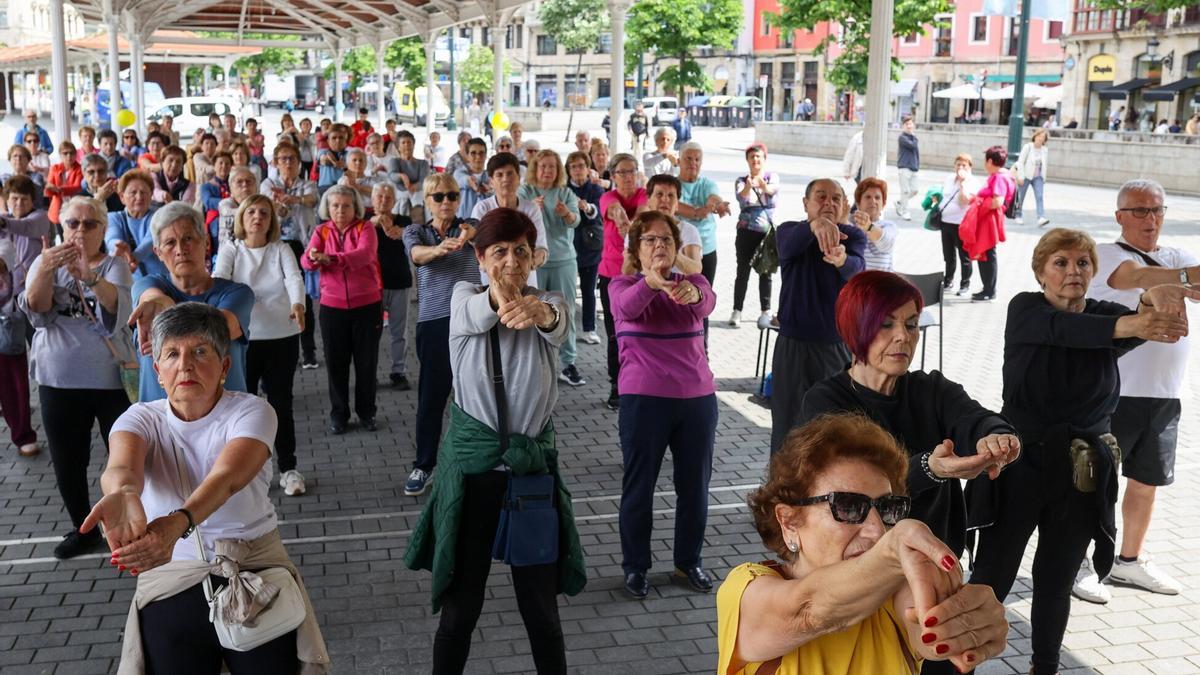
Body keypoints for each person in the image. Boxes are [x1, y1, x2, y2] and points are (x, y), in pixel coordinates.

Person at [968, 228, 1197, 675]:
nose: (1074, 271)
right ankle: (961, 665)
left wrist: (1157, 297)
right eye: (1061, 263)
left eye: (1083, 264)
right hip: (1018, 465)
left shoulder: (1104, 315)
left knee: (1055, 580)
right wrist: (1136, 322)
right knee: (991, 578)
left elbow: (1123, 322)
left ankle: (1045, 667)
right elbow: (1068, 330)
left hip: (1080, 470)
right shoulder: (1025, 310)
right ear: (1040, 272)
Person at [81, 302, 330, 674]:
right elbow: (121, 466)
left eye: (200, 351)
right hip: (171, 574)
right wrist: (123, 494)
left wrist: (176, 523)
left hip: (251, 568)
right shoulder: (140, 417)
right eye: (172, 354)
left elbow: (226, 478)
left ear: (225, 367)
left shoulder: (253, 411)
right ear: (158, 372)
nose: (186, 364)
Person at [404, 208, 584, 674]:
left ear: (533, 257)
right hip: (475, 477)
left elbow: (560, 322)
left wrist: (541, 311)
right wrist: (502, 298)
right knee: (461, 613)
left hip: (529, 474)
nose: (510, 261)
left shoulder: (549, 302)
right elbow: (476, 311)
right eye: (499, 252)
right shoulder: (465, 298)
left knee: (541, 613)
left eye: (520, 251)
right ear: (480, 257)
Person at [718, 414, 1010, 675]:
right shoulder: (746, 588)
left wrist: (962, 622)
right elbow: (806, 611)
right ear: (789, 521)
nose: (877, 530)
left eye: (887, 508)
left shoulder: (894, 593)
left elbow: (926, 629)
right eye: (847, 506)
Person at [801, 271, 1019, 560]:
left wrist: (997, 438)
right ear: (854, 329)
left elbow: (977, 419)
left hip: (935, 559)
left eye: (912, 324)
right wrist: (930, 468)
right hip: (863, 564)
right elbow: (861, 487)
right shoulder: (826, 402)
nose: (903, 336)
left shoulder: (932, 389)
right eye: (886, 324)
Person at [1072, 180, 1200, 604]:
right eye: (1141, 211)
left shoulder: (1177, 254)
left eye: (1158, 211)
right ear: (1120, 216)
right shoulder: (1108, 253)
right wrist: (1178, 280)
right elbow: (1137, 276)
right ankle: (1082, 563)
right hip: (1115, 392)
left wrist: (1176, 279)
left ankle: (1128, 561)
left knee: (1146, 482)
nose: (1151, 219)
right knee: (1098, 483)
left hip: (1165, 394)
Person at [611, 210, 717, 599]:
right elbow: (627, 308)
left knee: (695, 488)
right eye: (650, 240)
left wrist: (692, 292)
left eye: (667, 240)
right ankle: (635, 567)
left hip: (697, 400)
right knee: (639, 487)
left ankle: (688, 562)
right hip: (644, 400)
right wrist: (652, 284)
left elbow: (705, 302)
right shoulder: (622, 285)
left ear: (677, 248)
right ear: (636, 249)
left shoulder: (693, 283)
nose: (659, 246)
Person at [21, 196, 133, 558]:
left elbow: (117, 306)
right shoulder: (46, 260)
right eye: (73, 223)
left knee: (127, 457)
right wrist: (43, 270)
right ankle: (83, 530)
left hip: (110, 381)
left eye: (89, 224)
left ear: (102, 229)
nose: (80, 231)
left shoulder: (114, 264)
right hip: (58, 379)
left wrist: (91, 276)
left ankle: (131, 523)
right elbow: (37, 308)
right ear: (61, 227)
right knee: (69, 461)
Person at [213, 194, 307, 496]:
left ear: (271, 220)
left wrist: (298, 304)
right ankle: (246, 472)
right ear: (241, 218)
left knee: (281, 404)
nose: (257, 217)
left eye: (264, 213)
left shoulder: (281, 249)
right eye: (251, 212)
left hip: (281, 336)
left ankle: (288, 468)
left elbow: (294, 278)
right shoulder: (231, 249)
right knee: (242, 407)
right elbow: (218, 281)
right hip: (242, 340)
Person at [770, 178, 867, 453]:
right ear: (806, 203)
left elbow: (858, 269)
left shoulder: (852, 236)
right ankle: (782, 492)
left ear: (845, 204)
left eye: (836, 198)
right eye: (821, 197)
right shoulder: (789, 232)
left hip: (836, 346)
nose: (829, 203)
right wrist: (815, 226)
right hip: (793, 347)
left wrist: (841, 261)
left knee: (832, 427)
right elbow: (787, 246)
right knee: (788, 427)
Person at [403, 173, 482, 497]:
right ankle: (424, 464)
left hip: (470, 322)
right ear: (428, 200)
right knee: (431, 398)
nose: (446, 202)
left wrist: (467, 235)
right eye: (438, 197)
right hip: (434, 323)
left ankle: (477, 459)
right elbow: (416, 255)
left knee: (475, 396)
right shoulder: (416, 231)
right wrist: (439, 250)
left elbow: (479, 231)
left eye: (451, 195)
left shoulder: (469, 225)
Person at [127, 202, 254, 402]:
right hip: (160, 423)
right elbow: (150, 297)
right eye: (170, 242)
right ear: (157, 252)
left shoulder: (237, 294)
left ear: (205, 242)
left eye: (188, 239)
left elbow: (218, 327)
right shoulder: (147, 285)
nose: (180, 250)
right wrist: (159, 301)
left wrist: (167, 319)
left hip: (226, 421)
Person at [300, 185, 382, 435]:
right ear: (328, 207)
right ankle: (339, 415)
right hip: (332, 308)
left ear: (355, 207)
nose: (340, 210)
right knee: (336, 364)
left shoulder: (365, 227)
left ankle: (367, 412)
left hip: (367, 306)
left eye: (346, 205)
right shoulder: (321, 230)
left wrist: (332, 259)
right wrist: (314, 257)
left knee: (366, 363)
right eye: (335, 205)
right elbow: (306, 262)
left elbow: (364, 255)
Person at [519, 149, 584, 387]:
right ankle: (535, 363)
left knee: (565, 311)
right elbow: (515, 218)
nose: (547, 171)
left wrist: (567, 214)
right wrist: (529, 209)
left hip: (564, 260)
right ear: (535, 169)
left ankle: (568, 362)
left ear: (558, 171)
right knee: (533, 310)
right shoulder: (526, 192)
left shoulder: (566, 193)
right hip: (534, 262)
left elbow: (576, 221)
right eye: (543, 166)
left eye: (552, 167)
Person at [260, 142, 320, 369]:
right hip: (275, 246)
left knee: (302, 298)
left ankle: (309, 351)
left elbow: (312, 200)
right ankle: (285, 350)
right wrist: (282, 205)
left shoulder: (308, 184)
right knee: (277, 298)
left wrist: (288, 199)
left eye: (291, 159)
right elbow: (274, 209)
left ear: (298, 162)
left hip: (300, 245)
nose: (287, 163)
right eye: (283, 159)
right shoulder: (268, 184)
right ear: (275, 162)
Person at [599, 153, 647, 409]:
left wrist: (633, 225)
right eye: (622, 172)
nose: (628, 177)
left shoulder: (643, 194)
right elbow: (614, 209)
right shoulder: (608, 197)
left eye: (632, 171)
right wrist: (620, 219)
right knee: (614, 333)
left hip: (639, 276)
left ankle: (639, 382)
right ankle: (616, 385)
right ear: (613, 176)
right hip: (610, 274)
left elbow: (642, 211)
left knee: (639, 331)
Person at [471, 152, 548, 284]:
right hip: (492, 284)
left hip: (526, 283)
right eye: (499, 175)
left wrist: (526, 264)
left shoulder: (531, 209)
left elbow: (541, 249)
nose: (505, 179)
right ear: (491, 182)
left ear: (519, 178)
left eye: (510, 173)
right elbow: (477, 248)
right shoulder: (481, 209)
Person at [730, 143, 779, 328]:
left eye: (758, 157)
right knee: (742, 271)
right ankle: (737, 310)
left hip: (765, 234)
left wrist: (763, 186)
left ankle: (765, 310)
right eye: (752, 157)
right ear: (747, 161)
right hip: (745, 232)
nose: (755, 160)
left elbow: (772, 192)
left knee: (766, 271)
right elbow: (742, 198)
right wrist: (749, 187)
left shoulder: (772, 178)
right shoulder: (741, 180)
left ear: (764, 159)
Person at [371, 183, 414, 391]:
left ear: (394, 201)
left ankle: (399, 372)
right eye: (379, 196)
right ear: (372, 200)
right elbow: (365, 226)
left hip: (400, 282)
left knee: (400, 332)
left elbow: (412, 231)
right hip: (372, 286)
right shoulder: (364, 222)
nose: (383, 200)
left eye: (388, 197)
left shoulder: (404, 221)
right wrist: (375, 222)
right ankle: (369, 373)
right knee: (371, 333)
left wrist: (398, 230)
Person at [958, 146, 1015, 303]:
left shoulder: (999, 177)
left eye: (985, 159)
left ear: (990, 161)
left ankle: (989, 290)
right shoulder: (1000, 175)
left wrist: (980, 203)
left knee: (988, 253)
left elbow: (998, 201)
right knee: (987, 253)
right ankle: (988, 288)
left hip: (988, 219)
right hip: (987, 218)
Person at [565, 151, 605, 346]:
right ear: (568, 170)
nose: (577, 170)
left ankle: (589, 329)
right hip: (567, 248)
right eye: (573, 166)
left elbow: (599, 214)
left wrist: (588, 208)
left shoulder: (596, 190)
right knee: (567, 292)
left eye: (581, 166)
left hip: (590, 247)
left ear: (588, 168)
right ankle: (565, 329)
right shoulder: (563, 190)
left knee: (589, 291)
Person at [933, 154, 978, 297]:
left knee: (964, 256)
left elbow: (965, 201)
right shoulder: (949, 179)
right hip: (946, 222)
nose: (960, 168)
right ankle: (948, 281)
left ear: (970, 167)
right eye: (958, 164)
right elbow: (943, 196)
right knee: (948, 255)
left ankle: (965, 284)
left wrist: (963, 183)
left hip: (962, 224)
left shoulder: (972, 182)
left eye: (964, 165)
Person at [105, 170, 162, 279]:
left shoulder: (159, 216)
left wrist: (131, 258)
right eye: (133, 192)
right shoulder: (114, 217)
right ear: (122, 197)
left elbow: (151, 240)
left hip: (160, 279)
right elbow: (111, 237)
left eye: (144, 192)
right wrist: (118, 245)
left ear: (151, 196)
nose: (139, 197)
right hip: (127, 282)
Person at [851, 178, 898, 272]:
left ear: (883, 204)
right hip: (854, 284)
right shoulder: (850, 224)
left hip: (880, 284)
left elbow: (885, 243)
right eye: (868, 197)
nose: (873, 201)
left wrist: (868, 226)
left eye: (877, 198)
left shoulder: (889, 226)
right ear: (858, 203)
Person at [388, 130, 430, 223]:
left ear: (413, 145)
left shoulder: (423, 163)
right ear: (398, 147)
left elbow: (424, 181)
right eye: (403, 143)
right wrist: (402, 176)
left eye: (409, 142)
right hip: (399, 200)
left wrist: (414, 187)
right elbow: (391, 175)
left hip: (418, 200)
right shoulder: (394, 161)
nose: (406, 145)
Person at [1014, 129, 1050, 228]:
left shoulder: (1045, 150)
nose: (1040, 138)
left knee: (1039, 196)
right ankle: (1018, 215)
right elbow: (1020, 162)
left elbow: (1045, 165)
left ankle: (1041, 218)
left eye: (1043, 137)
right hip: (1026, 176)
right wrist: (1020, 177)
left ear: (1044, 140)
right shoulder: (1028, 147)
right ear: (1035, 136)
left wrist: (1044, 178)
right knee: (1020, 197)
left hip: (1038, 177)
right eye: (1039, 136)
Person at [217, 168, 260, 247]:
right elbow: (231, 213)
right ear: (230, 187)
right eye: (239, 182)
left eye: (249, 181)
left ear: (256, 186)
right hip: (229, 253)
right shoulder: (224, 204)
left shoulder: (261, 203)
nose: (245, 185)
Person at [45, 141, 84, 225]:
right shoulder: (54, 168)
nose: (69, 156)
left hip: (75, 208)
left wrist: (58, 189)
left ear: (75, 154)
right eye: (65, 153)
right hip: (57, 208)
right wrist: (52, 189)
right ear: (60, 155)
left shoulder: (80, 169)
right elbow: (48, 190)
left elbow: (77, 187)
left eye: (71, 153)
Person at [454, 137, 492, 219]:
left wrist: (490, 191)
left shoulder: (491, 176)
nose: (478, 157)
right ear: (467, 156)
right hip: (464, 223)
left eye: (481, 153)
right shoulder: (459, 173)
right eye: (473, 153)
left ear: (486, 156)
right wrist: (470, 182)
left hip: (486, 223)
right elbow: (462, 180)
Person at [895, 117, 919, 221]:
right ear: (903, 126)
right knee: (905, 191)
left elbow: (916, 153)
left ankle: (900, 202)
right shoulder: (902, 137)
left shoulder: (914, 137)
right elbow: (912, 146)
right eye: (906, 124)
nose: (909, 126)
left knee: (914, 190)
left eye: (910, 124)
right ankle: (905, 212)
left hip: (914, 168)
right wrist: (913, 136)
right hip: (904, 167)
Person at [316, 124, 349, 193]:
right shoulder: (322, 152)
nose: (337, 140)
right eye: (334, 138)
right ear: (328, 141)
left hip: (344, 189)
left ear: (345, 140)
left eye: (341, 138)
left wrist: (345, 166)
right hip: (325, 188)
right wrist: (335, 163)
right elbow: (324, 159)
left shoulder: (350, 154)